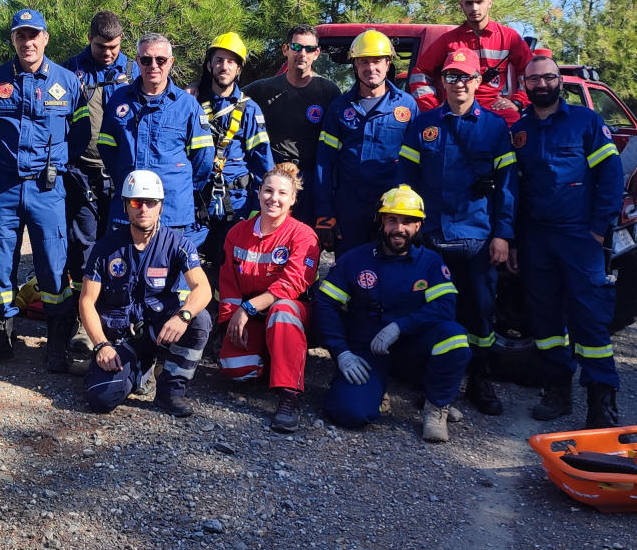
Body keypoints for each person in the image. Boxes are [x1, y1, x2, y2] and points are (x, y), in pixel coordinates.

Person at [399, 47, 517, 416]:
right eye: (452, 76)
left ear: (478, 82)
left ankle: (480, 380)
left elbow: (508, 186)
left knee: (480, 312)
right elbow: (406, 180)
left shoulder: (495, 128)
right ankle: (436, 381)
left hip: (477, 238)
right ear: (442, 81)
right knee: (433, 310)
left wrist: (503, 234)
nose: (459, 83)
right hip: (431, 237)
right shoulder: (423, 125)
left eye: (466, 77)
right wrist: (409, 227)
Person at [0, 9, 90, 372]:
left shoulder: (68, 82)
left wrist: (56, 160)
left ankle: (56, 348)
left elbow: (82, 132)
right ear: (13, 40)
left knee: (54, 269)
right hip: (3, 186)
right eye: (21, 36)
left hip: (46, 188)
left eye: (34, 35)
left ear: (45, 38)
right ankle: (1, 340)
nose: (28, 42)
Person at [509, 55, 624, 428]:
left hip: (578, 235)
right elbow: (511, 188)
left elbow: (610, 176)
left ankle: (601, 399)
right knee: (544, 321)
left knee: (589, 320)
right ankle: (557, 391)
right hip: (535, 237)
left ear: (560, 81)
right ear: (525, 85)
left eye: (548, 78)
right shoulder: (519, 129)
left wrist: (598, 228)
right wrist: (511, 238)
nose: (541, 85)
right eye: (534, 79)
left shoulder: (586, 122)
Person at [314, 185, 470, 442]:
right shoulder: (355, 260)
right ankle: (374, 392)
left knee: (454, 337)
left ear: (418, 226)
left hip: (412, 350)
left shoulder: (430, 263)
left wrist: (401, 326)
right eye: (392, 220)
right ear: (380, 222)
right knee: (348, 413)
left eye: (408, 221)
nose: (400, 228)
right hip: (366, 351)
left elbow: (445, 307)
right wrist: (341, 353)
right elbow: (324, 305)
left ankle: (436, 406)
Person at [79, 170, 212, 417]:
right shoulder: (105, 248)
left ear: (161, 206)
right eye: (136, 202)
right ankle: (138, 368)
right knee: (101, 398)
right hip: (119, 337)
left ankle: (170, 390)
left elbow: (203, 288)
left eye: (151, 203)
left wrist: (182, 316)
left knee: (199, 319)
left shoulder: (178, 244)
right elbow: (86, 301)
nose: (144, 209)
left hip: (158, 330)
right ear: (126, 206)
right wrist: (101, 346)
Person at [216, 163, 319, 433]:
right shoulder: (237, 233)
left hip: (292, 312)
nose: (274, 198)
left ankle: (289, 395)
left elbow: (294, 283)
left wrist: (248, 308)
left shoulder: (303, 235)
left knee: (282, 310)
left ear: (293, 199)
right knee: (234, 367)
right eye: (268, 191)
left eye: (283, 193)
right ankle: (274, 361)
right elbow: (228, 282)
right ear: (258, 192)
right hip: (251, 315)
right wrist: (230, 321)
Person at [98, 33, 214, 252]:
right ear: (137, 61)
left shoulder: (187, 105)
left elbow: (203, 160)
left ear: (170, 62)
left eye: (160, 60)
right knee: (121, 275)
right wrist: (126, 176)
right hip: (128, 209)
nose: (153, 65)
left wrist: (179, 187)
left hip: (172, 212)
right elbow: (107, 149)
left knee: (169, 279)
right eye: (146, 60)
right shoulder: (118, 100)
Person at [62, 11, 136, 352]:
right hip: (82, 171)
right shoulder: (68, 70)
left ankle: (116, 317)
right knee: (83, 246)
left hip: (122, 176)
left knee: (120, 245)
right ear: (89, 38)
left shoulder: (135, 69)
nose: (108, 53)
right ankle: (82, 319)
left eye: (115, 47)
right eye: (101, 46)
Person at [315, 29, 417, 254]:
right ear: (355, 65)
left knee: (393, 275)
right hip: (349, 211)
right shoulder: (339, 108)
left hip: (393, 211)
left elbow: (417, 164)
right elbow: (324, 163)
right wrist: (325, 213)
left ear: (388, 63)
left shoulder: (407, 106)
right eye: (364, 61)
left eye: (377, 60)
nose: (371, 68)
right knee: (349, 274)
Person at [193, 32, 273, 270]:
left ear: (238, 68)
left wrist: (260, 207)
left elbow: (262, 160)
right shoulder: (192, 104)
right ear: (209, 65)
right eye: (219, 60)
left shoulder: (250, 110)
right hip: (198, 200)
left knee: (230, 264)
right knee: (186, 259)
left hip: (237, 202)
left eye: (231, 61)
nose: (224, 66)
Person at [245, 25, 340, 225]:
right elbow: (227, 95)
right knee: (270, 236)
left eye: (309, 48)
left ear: (317, 53)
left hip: (311, 180)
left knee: (306, 240)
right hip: (274, 177)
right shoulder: (263, 89)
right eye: (296, 47)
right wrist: (196, 88)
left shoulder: (329, 91)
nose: (302, 53)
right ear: (285, 49)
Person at [409, 0, 533, 125]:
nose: (474, 8)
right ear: (461, 5)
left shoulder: (509, 37)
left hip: (495, 108)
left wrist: (518, 102)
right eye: (469, 3)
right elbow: (419, 74)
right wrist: (432, 108)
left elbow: (531, 71)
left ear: (490, 3)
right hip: (455, 109)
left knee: (516, 131)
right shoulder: (448, 40)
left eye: (480, 2)